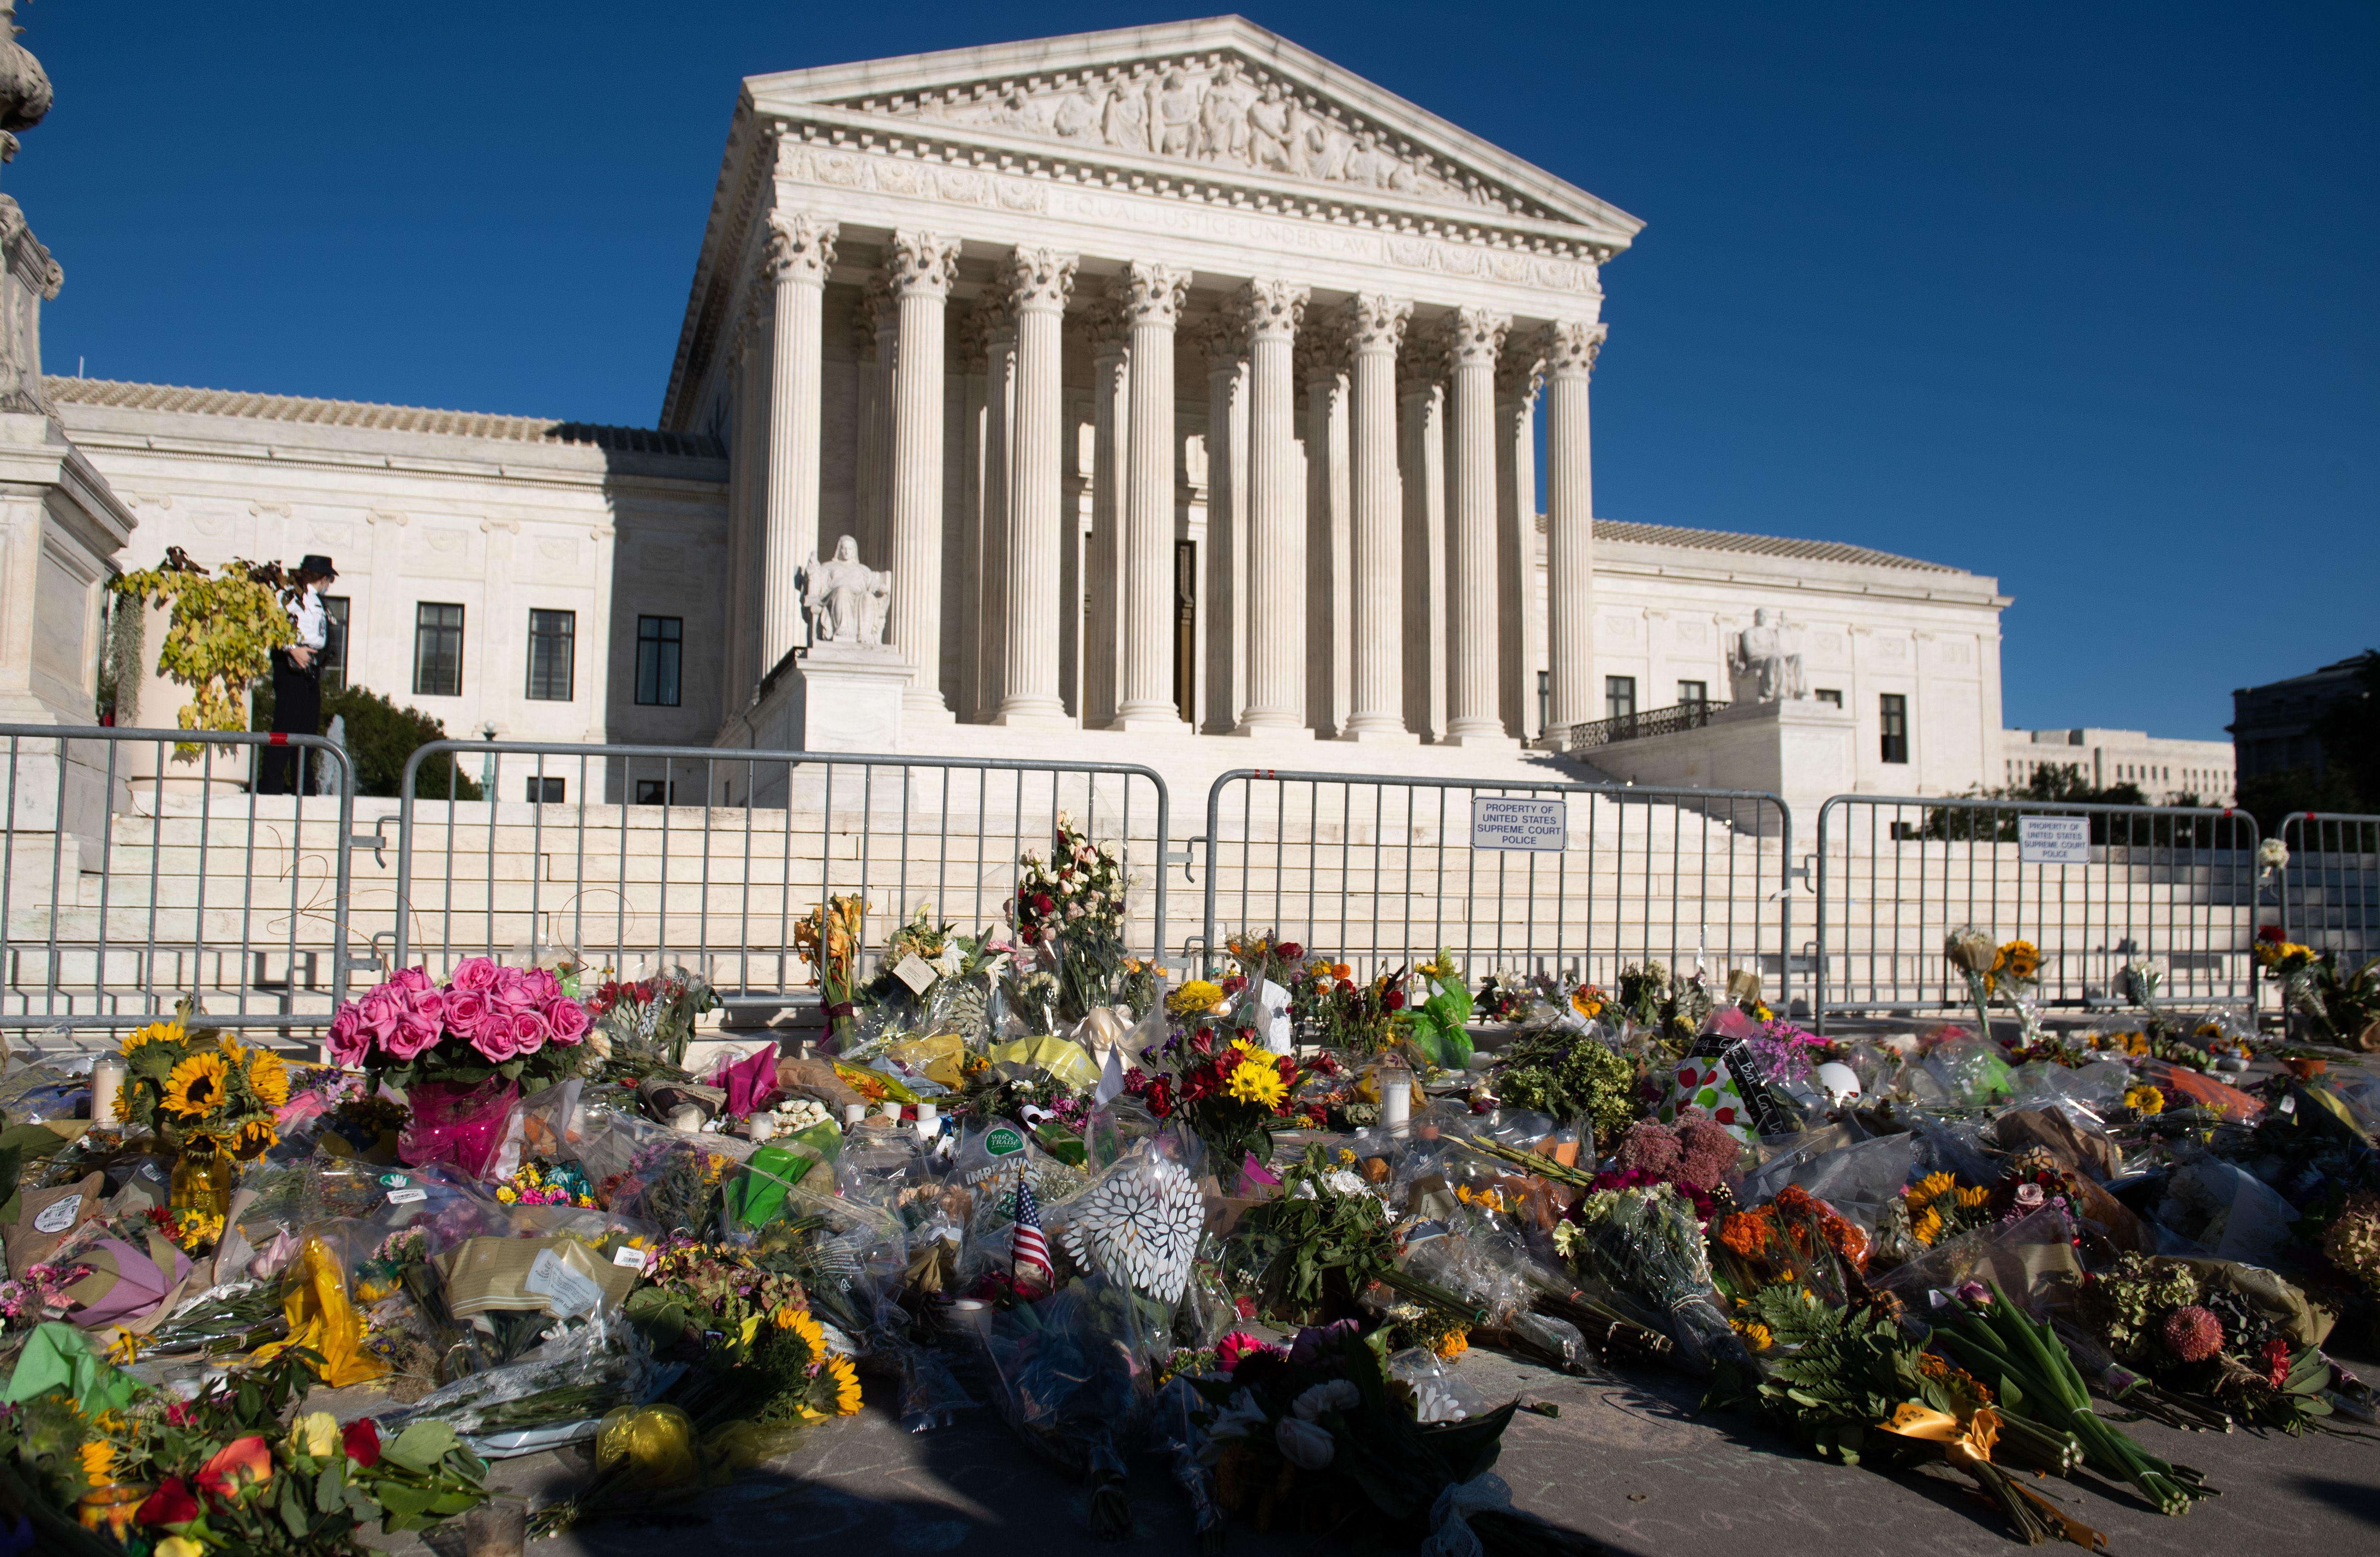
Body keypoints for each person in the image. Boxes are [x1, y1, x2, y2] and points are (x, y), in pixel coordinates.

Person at [258, 554, 335, 794]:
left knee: (307, 734)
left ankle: (304, 789)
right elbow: (273, 628)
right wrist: (293, 650)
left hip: (310, 669)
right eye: (329, 579)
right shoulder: (291, 595)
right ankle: (271, 787)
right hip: (291, 667)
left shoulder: (318, 602)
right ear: (324, 578)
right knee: (285, 729)